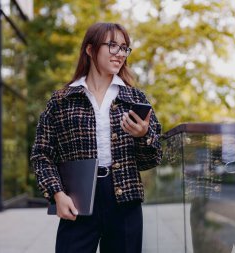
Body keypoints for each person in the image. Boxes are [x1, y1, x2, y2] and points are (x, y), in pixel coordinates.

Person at [30, 22, 162, 253]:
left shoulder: (134, 98)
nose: (120, 53)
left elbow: (153, 158)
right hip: (78, 200)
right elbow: (41, 154)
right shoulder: (62, 100)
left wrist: (143, 136)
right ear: (90, 50)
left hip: (125, 201)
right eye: (112, 45)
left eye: (124, 48)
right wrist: (56, 194)